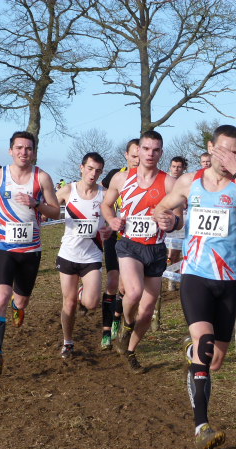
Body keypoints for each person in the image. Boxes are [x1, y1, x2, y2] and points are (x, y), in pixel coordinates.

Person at [153, 124, 236, 449]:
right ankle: (202, 426)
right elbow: (162, 208)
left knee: (214, 361)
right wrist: (169, 221)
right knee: (205, 345)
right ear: (211, 147)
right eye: (225, 149)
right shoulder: (190, 182)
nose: (230, 155)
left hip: (229, 281)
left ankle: (193, 354)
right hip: (196, 275)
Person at [0, 131, 60, 374]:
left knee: (21, 299)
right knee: (0, 297)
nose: (23, 152)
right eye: (19, 148)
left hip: (31, 250)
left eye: (28, 148)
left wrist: (36, 204)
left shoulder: (43, 178)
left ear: (34, 152)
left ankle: (19, 307)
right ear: (11, 150)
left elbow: (56, 212)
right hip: (3, 247)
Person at [101, 131, 176, 373]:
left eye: (156, 150)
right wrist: (111, 219)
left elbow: (180, 219)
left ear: (161, 153)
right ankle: (126, 323)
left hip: (155, 247)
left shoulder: (169, 182)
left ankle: (131, 349)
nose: (150, 154)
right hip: (130, 244)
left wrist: (172, 223)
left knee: (148, 307)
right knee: (133, 292)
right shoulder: (122, 180)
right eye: (146, 149)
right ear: (139, 150)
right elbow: (106, 204)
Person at [55, 153, 111, 357]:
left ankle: (82, 293)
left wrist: (110, 230)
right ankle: (68, 342)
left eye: (97, 170)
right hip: (69, 254)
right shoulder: (68, 190)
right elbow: (50, 206)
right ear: (81, 168)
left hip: (92, 256)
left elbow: (114, 218)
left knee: (92, 302)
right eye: (90, 168)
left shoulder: (105, 194)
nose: (93, 174)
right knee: (68, 303)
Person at [100, 139, 140, 348]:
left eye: (140, 156)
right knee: (113, 283)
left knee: (126, 287)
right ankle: (107, 331)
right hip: (115, 236)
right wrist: (110, 220)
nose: (137, 160)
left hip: (134, 240)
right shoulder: (117, 175)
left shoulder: (148, 178)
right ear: (126, 155)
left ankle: (117, 315)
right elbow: (105, 194)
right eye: (133, 156)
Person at [166, 156, 188, 290]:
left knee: (180, 252)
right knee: (171, 253)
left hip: (185, 221)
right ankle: (171, 278)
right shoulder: (166, 181)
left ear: (183, 168)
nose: (176, 169)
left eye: (179, 167)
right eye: (173, 166)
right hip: (170, 221)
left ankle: (178, 277)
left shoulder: (187, 182)